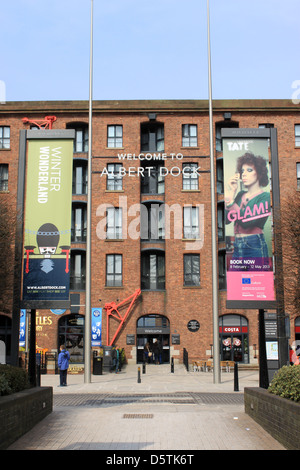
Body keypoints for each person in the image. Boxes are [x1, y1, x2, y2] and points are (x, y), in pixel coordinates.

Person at [225, 152, 271, 262]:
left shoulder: (265, 197)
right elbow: (227, 220)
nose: (244, 174)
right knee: (235, 279)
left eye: (249, 170)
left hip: (254, 244)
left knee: (257, 279)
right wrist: (232, 193)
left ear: (259, 173)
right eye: (242, 171)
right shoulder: (241, 194)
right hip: (237, 244)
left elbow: (246, 221)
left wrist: (231, 202)